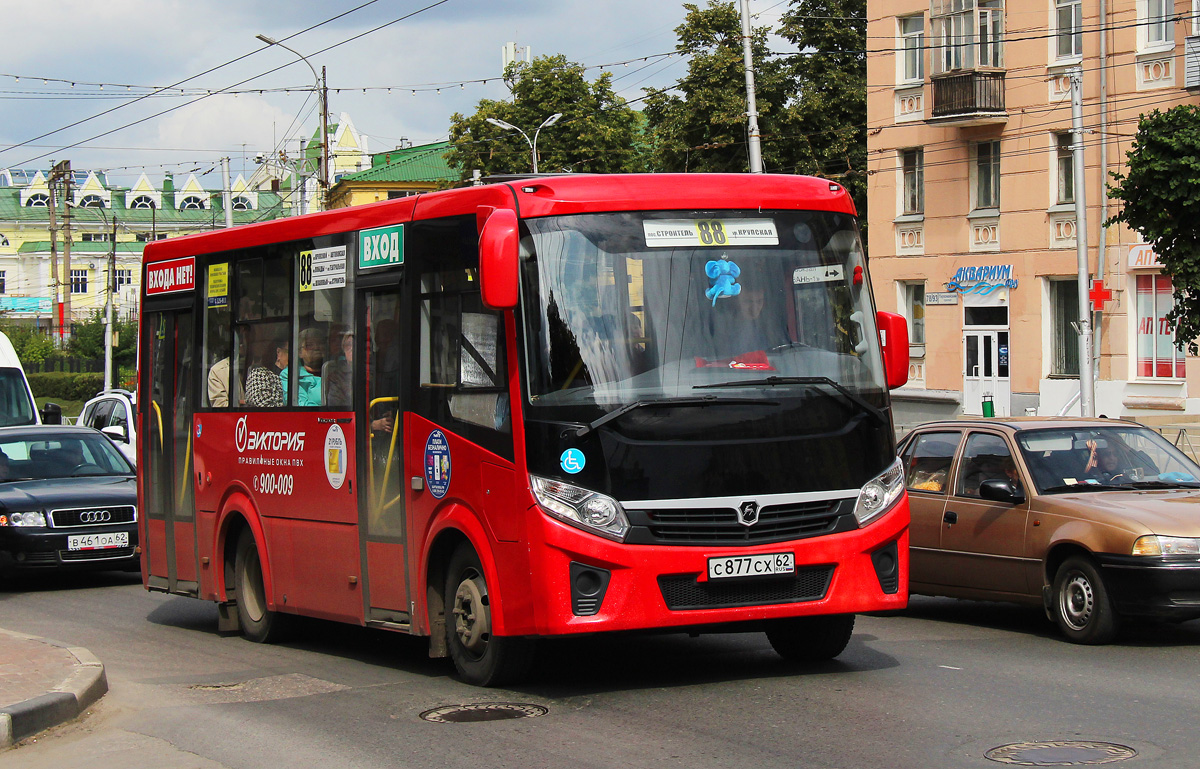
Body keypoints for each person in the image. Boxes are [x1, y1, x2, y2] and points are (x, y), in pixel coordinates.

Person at [280, 327, 324, 406]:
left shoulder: (335, 372)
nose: (316, 347)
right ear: (300, 352)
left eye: (320, 343)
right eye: (309, 345)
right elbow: (299, 404)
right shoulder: (290, 375)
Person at [245, 334, 285, 408]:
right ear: (278, 353)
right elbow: (261, 403)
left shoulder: (298, 374)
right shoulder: (259, 374)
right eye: (291, 351)